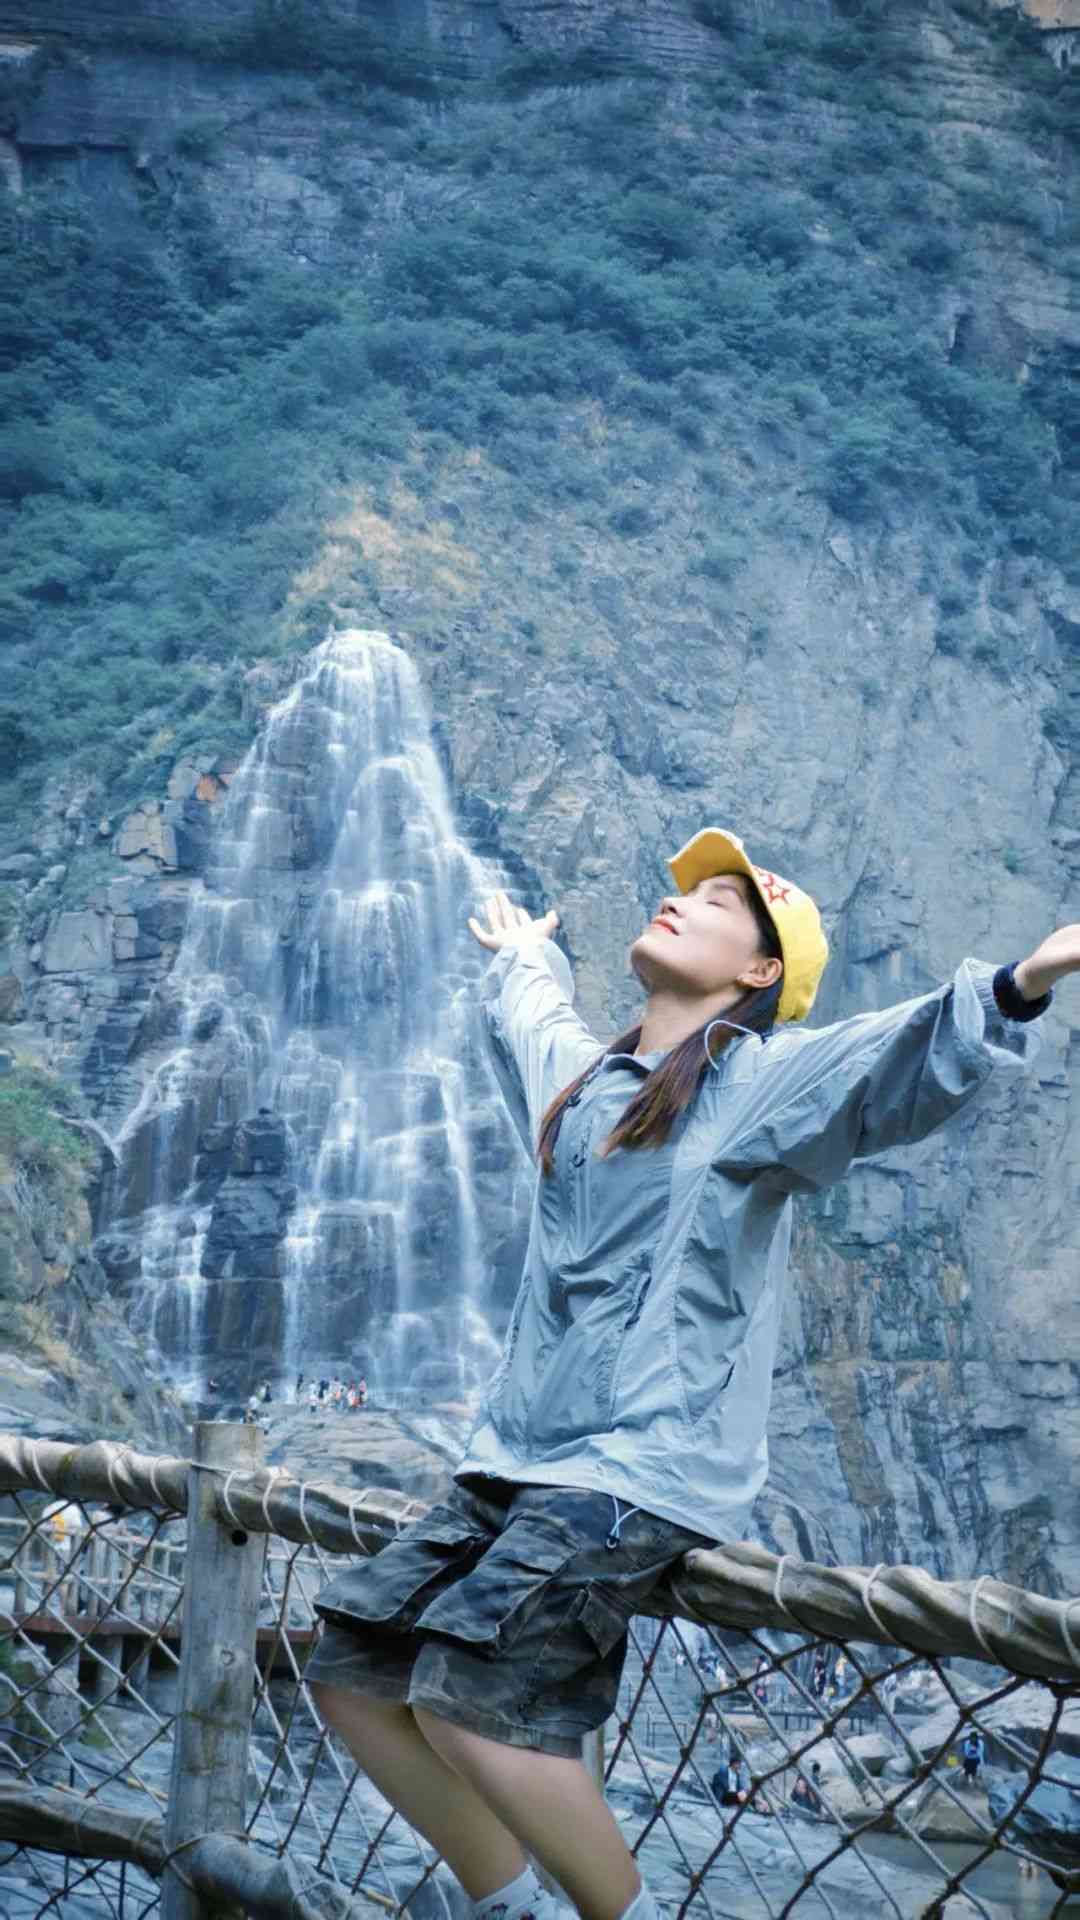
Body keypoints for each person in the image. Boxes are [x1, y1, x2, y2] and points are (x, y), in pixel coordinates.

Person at [306, 827, 1070, 1920]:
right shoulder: (586, 1086)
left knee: (467, 1695)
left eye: (722, 903)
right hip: (518, 1457)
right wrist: (526, 953)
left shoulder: (759, 1085)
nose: (683, 901)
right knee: (351, 1667)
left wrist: (1023, 980)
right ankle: (506, 1903)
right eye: (688, 890)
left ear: (759, 971)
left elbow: (888, 1058)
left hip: (638, 1470)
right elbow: (532, 1018)